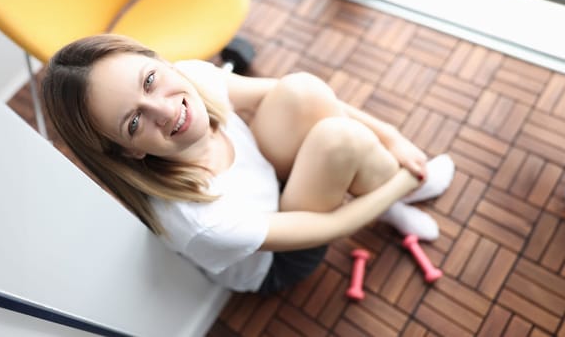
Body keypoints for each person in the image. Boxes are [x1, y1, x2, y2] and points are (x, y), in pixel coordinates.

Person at [42, 34, 454, 294]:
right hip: (278, 259)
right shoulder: (196, 220)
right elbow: (333, 227)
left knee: (301, 89)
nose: (164, 110)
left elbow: (281, 91)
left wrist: (393, 137)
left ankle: (385, 186)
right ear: (128, 151)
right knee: (340, 140)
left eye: (149, 80)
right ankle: (397, 204)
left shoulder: (190, 77)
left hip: (265, 181)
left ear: (159, 62)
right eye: (133, 123)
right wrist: (404, 179)